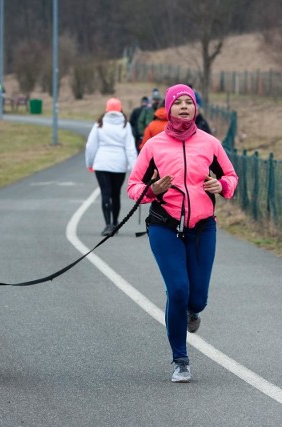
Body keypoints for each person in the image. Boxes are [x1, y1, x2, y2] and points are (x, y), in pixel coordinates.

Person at [127, 84, 238, 383]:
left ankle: (191, 311)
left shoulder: (210, 144)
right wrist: (152, 190)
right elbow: (133, 186)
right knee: (178, 290)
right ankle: (180, 360)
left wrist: (222, 186)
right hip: (165, 226)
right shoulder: (154, 146)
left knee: (197, 298)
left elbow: (231, 176)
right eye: (179, 103)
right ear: (169, 108)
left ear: (195, 109)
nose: (185, 107)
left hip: (202, 227)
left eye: (190, 102)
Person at [85, 98, 138, 236]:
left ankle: (108, 224)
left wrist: (89, 163)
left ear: (107, 108)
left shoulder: (99, 124)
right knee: (116, 194)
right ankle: (115, 223)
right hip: (119, 165)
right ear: (120, 109)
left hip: (102, 163)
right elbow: (130, 148)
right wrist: (135, 169)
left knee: (105, 193)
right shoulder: (125, 125)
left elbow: (91, 146)